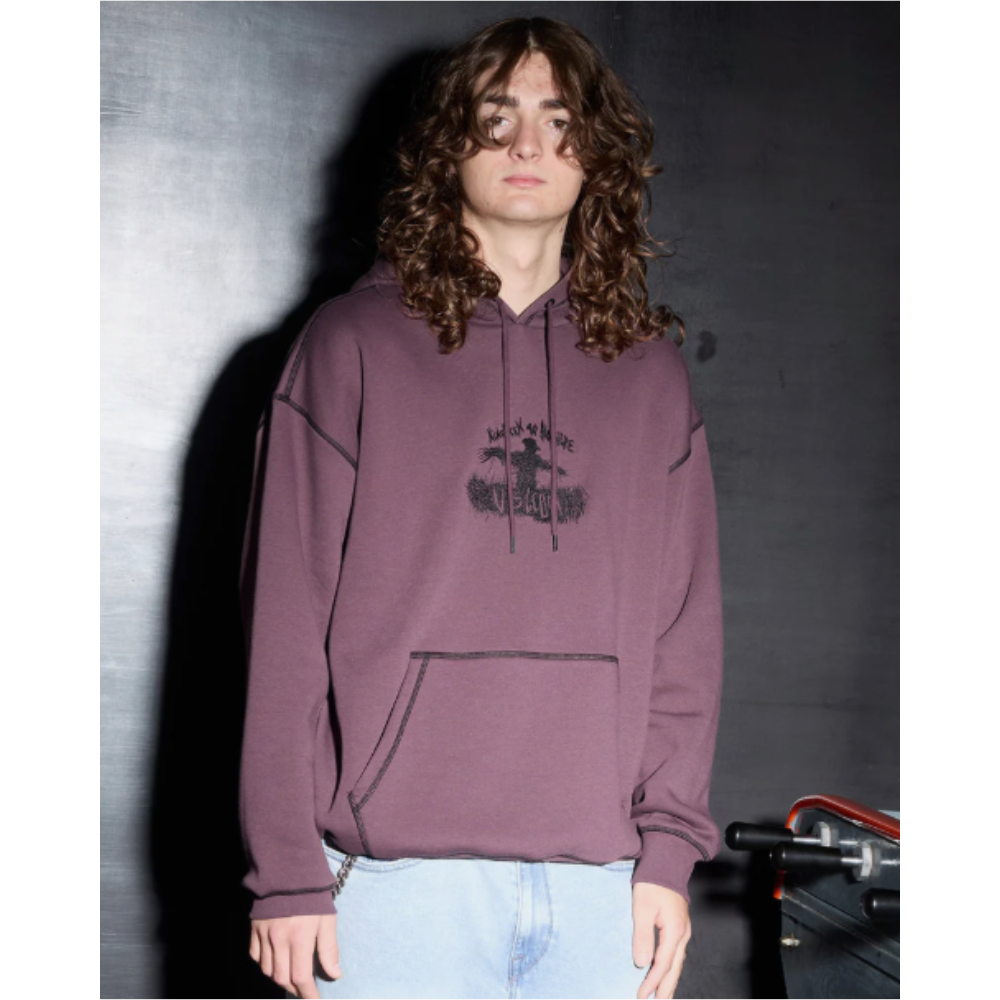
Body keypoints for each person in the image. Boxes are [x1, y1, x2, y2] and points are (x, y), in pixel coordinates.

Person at [238, 16, 724, 1000]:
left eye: (558, 118)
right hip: (392, 890)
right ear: (447, 145)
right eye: (496, 115)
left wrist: (668, 851)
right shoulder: (352, 345)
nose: (527, 142)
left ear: (595, 154)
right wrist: (286, 869)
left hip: (604, 892)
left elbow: (684, 635)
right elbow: (283, 623)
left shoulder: (649, 376)